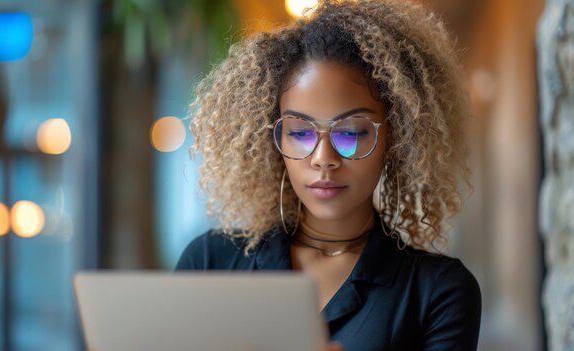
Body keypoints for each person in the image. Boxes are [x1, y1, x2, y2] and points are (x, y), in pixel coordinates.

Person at [175, 0, 481, 350]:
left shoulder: (437, 291)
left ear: (395, 139)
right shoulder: (210, 263)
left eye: (350, 133)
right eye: (300, 133)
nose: (324, 159)